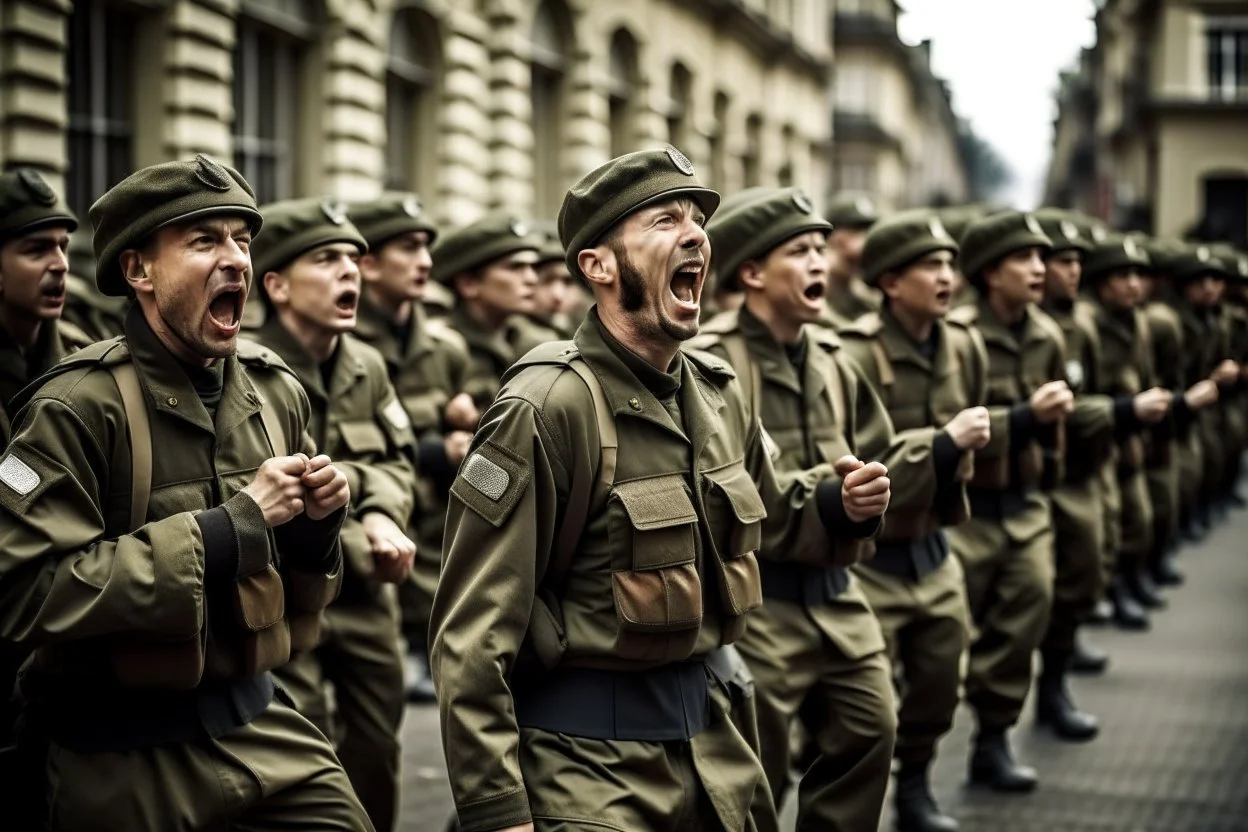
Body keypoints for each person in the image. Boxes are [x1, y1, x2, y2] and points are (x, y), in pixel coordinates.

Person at [430, 147, 891, 832]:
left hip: (720, 752)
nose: (695, 233)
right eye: (663, 219)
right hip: (591, 772)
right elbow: (471, 637)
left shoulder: (717, 393)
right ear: (600, 265)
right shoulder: (547, 404)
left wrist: (839, 502)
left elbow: (775, 514)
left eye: (697, 219)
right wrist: (498, 810)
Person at [0, 155, 371, 830]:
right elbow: (25, 593)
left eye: (242, 239)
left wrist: (318, 527)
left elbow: (300, 593)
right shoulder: (74, 407)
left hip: (260, 721)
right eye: (204, 241)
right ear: (139, 271)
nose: (235, 259)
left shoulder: (276, 390)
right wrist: (226, 530)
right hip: (116, 749)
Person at [693, 187, 908, 831]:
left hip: (840, 594)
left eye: (821, 248)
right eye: (799, 251)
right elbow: (714, 492)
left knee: (873, 729)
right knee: (756, 772)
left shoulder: (837, 359)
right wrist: (828, 497)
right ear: (752, 273)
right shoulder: (712, 361)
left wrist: (871, 494)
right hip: (758, 605)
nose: (819, 262)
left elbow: (880, 450)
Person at [251, 197, 419, 831]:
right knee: (307, 753)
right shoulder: (245, 370)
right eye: (326, 259)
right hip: (288, 598)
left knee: (377, 749)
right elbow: (264, 499)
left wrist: (381, 512)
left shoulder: (367, 365)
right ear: (277, 285)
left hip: (369, 600)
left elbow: (397, 461)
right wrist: (360, 529)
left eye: (354, 258)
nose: (350, 272)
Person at [839, 208, 988, 832]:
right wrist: (942, 446)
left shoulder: (964, 343)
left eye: (950, 263)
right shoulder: (851, 353)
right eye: (930, 266)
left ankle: (918, 784)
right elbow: (849, 457)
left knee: (938, 686)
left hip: (934, 551)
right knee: (868, 712)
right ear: (890, 282)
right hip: (873, 562)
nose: (946, 276)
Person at [946, 211, 1071, 793]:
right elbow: (948, 424)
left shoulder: (1047, 335)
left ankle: (993, 740)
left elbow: (1055, 429)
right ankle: (916, 758)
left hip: (1024, 503)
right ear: (991, 272)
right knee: (944, 642)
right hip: (969, 509)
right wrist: (1024, 418)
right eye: (1026, 259)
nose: (1039, 270)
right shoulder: (960, 332)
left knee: (1028, 613)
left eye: (1042, 259)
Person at [349, 192, 476, 703]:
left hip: (438, 532)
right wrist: (434, 451)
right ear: (369, 264)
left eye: (426, 247)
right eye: (407, 248)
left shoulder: (445, 350)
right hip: (373, 532)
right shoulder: (340, 345)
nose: (424, 261)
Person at [0, 168, 92, 771]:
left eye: (63, 245)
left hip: (60, 641)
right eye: (36, 249)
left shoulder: (85, 357)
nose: (59, 263)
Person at [431, 214, 542, 411]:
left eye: (533, 267)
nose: (532, 278)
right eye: (515, 267)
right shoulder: (438, 346)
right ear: (469, 284)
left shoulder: (535, 344)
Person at [824, 192, 881, 323]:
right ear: (833, 236)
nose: (864, 238)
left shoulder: (864, 290)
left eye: (867, 230)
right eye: (855, 230)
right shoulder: (814, 282)